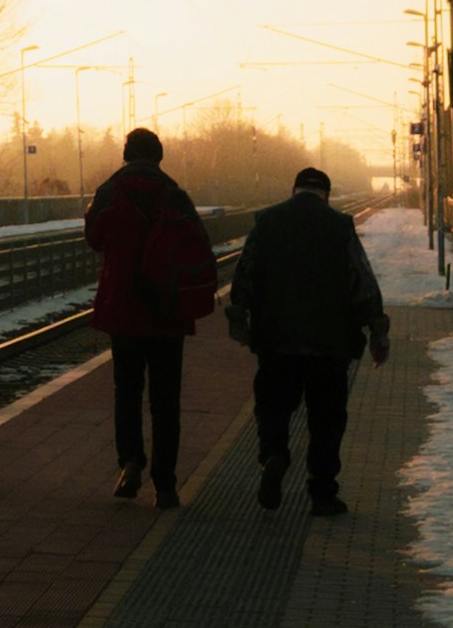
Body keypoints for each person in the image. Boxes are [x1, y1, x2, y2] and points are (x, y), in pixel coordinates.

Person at [225, 165, 388, 517]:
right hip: (329, 344)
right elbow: (361, 281)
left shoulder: (266, 222)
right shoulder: (339, 225)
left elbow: (245, 276)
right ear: (325, 194)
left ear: (294, 189)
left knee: (272, 407)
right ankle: (323, 494)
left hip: (276, 341)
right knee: (327, 419)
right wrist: (377, 329)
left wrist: (239, 318)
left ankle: (274, 455)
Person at [81, 125, 216, 504]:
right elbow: (197, 246)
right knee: (166, 398)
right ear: (159, 156)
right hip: (166, 310)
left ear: (126, 155)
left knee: (126, 391)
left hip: (123, 309)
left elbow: (94, 239)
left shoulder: (110, 192)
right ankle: (166, 483)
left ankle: (130, 462)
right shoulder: (174, 194)